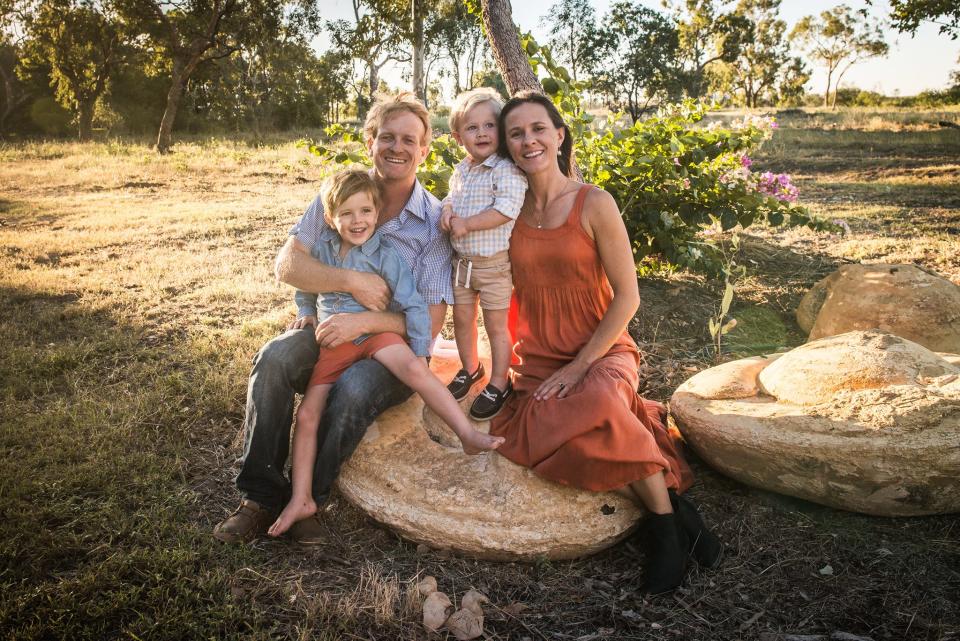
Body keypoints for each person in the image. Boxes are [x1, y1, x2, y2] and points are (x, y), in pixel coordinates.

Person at [490, 91, 722, 595]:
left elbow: (628, 297)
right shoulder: (504, 212)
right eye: (516, 133)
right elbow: (485, 287)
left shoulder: (594, 203)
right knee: (556, 427)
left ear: (558, 134)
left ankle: (663, 530)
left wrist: (579, 366)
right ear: (508, 147)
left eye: (537, 129)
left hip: (602, 349)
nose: (528, 140)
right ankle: (677, 509)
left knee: (593, 402)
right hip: (538, 358)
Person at [214, 92, 456, 545]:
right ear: (370, 143)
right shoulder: (339, 193)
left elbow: (433, 319)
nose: (397, 148)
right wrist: (347, 282)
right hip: (328, 331)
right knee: (275, 358)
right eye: (387, 137)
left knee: (356, 388)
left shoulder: (433, 224)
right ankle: (259, 497)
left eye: (409, 139)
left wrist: (367, 322)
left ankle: (310, 500)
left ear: (425, 149)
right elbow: (288, 265)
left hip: (390, 351)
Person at [267, 169, 504, 538]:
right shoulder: (324, 248)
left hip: (377, 335)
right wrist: (306, 311)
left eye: (365, 211)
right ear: (330, 218)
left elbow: (412, 303)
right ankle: (302, 497)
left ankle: (466, 434)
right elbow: (304, 283)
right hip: (333, 344)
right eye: (346, 213)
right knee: (309, 414)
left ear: (377, 214)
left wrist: (420, 350)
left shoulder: (387, 254)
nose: (357, 220)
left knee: (413, 370)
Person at [440, 88, 527, 420]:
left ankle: (499, 381)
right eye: (472, 128)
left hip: (492, 266)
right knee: (461, 321)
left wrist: (468, 225)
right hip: (461, 265)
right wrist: (448, 212)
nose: (481, 133)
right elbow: (451, 197)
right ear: (458, 136)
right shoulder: (462, 169)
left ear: (500, 130)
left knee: (495, 326)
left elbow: (506, 209)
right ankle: (470, 367)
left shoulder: (505, 169)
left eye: (489, 125)